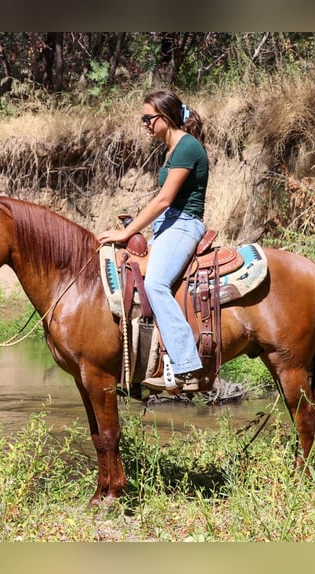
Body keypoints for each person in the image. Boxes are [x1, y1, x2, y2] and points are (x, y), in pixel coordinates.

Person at [97, 88, 209, 393]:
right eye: (142, 119)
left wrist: (124, 232)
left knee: (156, 285)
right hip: (169, 226)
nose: (145, 124)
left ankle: (188, 367)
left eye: (148, 118)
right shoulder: (172, 149)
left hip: (183, 226)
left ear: (166, 116)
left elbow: (164, 200)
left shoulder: (186, 147)